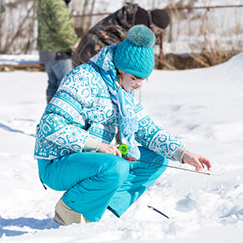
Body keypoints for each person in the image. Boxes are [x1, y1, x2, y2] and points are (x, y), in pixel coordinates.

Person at [34, 25, 211, 226]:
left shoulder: (122, 91)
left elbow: (145, 129)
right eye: (135, 78)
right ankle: (70, 208)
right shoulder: (83, 78)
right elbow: (51, 125)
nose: (140, 85)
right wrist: (97, 145)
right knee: (115, 166)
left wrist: (182, 153)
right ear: (119, 69)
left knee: (156, 159)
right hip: (57, 162)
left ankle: (102, 209)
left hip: (94, 159)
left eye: (144, 79)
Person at [72, 2, 171, 67]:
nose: (156, 34)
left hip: (87, 50)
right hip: (92, 54)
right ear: (153, 24)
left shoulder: (136, 16)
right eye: (158, 31)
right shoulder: (141, 25)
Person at [36, 0, 80, 104]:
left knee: (52, 84)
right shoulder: (57, 3)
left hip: (45, 51)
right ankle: (61, 116)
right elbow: (62, 27)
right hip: (59, 50)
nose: (68, 1)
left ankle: (49, 113)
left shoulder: (44, 2)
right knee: (66, 85)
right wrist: (75, 42)